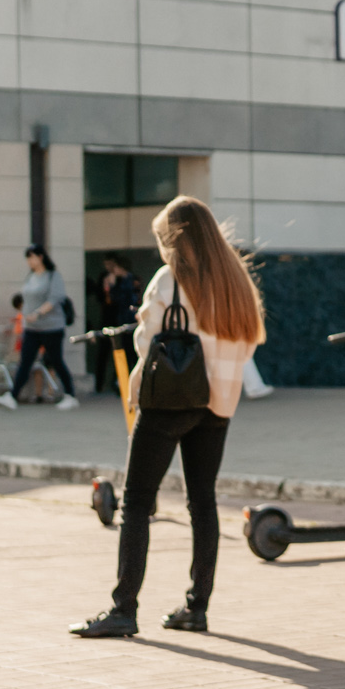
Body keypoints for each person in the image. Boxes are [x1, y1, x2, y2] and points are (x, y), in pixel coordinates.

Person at [71, 199, 266, 640]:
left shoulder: (170, 280)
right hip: (217, 404)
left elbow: (146, 341)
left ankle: (123, 609)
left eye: (163, 240)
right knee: (203, 502)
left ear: (177, 238)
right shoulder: (234, 279)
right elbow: (251, 341)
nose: (161, 250)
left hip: (168, 403)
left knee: (137, 501)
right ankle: (196, 607)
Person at [0, 247, 80, 410]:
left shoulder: (53, 276)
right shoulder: (31, 277)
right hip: (32, 328)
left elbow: (55, 298)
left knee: (56, 360)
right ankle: (12, 396)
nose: (29, 261)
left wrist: (38, 313)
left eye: (31, 257)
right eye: (27, 258)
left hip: (51, 327)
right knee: (25, 362)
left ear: (41, 257)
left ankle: (70, 395)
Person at [94, 255, 141, 393]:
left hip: (129, 322)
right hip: (120, 322)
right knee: (123, 355)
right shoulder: (122, 281)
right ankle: (119, 383)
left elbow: (122, 300)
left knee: (131, 354)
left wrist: (113, 286)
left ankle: (127, 384)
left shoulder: (130, 281)